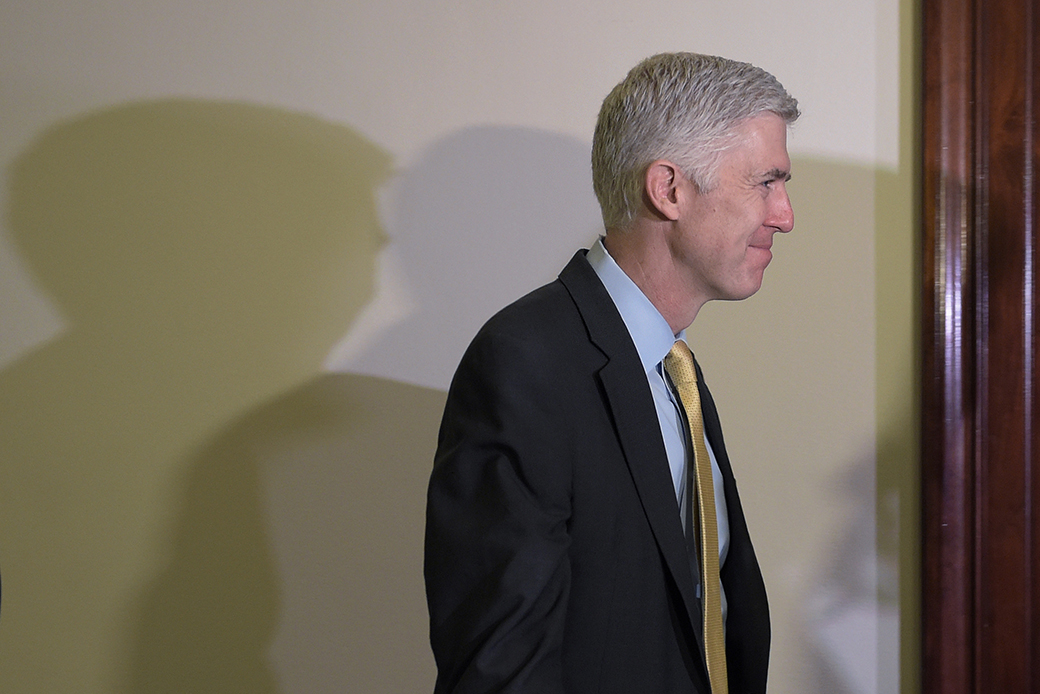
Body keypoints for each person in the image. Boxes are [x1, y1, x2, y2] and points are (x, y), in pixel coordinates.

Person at [424, 52, 799, 694]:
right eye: (765, 183)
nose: (784, 214)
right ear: (669, 189)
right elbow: (500, 670)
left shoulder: (675, 369)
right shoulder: (526, 362)